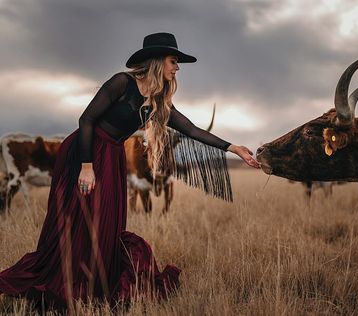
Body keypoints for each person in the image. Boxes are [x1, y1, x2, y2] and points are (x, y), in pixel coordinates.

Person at [0, 32, 260, 310]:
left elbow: (192, 129)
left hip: (112, 157)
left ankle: (91, 283)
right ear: (158, 61)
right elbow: (86, 119)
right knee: (77, 218)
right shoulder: (122, 82)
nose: (178, 67)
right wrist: (86, 167)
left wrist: (233, 148)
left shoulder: (158, 101)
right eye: (174, 61)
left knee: (105, 223)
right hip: (83, 152)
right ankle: (61, 280)